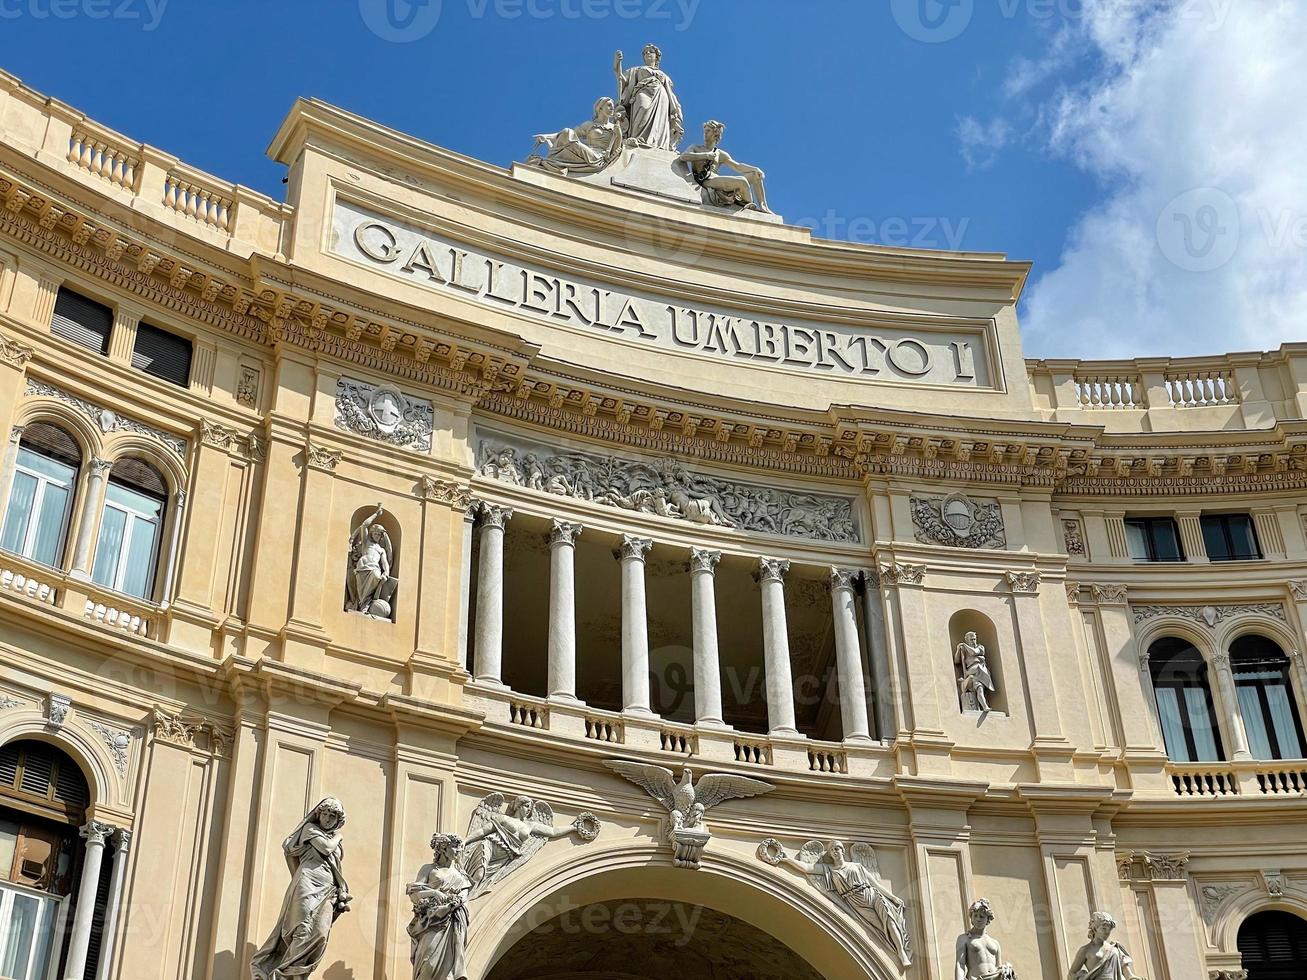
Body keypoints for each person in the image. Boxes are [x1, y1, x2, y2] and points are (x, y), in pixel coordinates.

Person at [251, 798, 351, 980]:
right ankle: (286, 976)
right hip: (307, 885)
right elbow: (325, 848)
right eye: (325, 814)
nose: (328, 819)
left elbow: (334, 866)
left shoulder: (331, 838)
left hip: (327, 890)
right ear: (318, 814)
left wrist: (341, 889)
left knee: (320, 934)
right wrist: (339, 836)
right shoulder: (310, 830)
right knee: (302, 931)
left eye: (333, 816)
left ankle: (298, 974)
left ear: (338, 820)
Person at [407, 833, 470, 980]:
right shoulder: (429, 869)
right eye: (454, 847)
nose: (458, 851)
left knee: (449, 970)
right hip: (430, 921)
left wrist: (455, 903)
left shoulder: (460, 875)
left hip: (452, 922)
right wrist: (435, 894)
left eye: (459, 848)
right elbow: (414, 894)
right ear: (443, 848)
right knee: (428, 963)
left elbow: (464, 896)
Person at [676, 121, 772, 213]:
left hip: (716, 178)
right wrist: (706, 155)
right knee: (742, 181)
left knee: (755, 175)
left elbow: (737, 166)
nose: (705, 134)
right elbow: (684, 156)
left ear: (715, 134)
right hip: (706, 180)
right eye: (704, 131)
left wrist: (755, 169)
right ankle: (748, 206)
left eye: (708, 131)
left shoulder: (720, 154)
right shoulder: (696, 148)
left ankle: (764, 207)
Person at [528, 97, 625, 175]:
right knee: (567, 131)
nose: (612, 108)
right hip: (589, 151)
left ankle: (548, 163)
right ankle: (550, 161)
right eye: (609, 105)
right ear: (600, 108)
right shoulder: (589, 125)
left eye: (612, 106)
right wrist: (546, 137)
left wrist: (619, 133)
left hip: (599, 157)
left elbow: (617, 148)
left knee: (568, 133)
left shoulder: (614, 127)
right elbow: (566, 135)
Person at [614, 44, 684, 150]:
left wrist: (675, 110)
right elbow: (624, 82)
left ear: (656, 56)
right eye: (645, 53)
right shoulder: (636, 70)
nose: (647, 54)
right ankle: (638, 139)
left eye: (650, 52)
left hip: (661, 95)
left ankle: (657, 144)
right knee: (642, 108)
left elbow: (670, 93)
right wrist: (618, 66)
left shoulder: (662, 74)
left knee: (660, 120)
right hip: (643, 92)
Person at [1069, 911, 1147, 980]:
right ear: (1095, 928)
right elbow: (1072, 973)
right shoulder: (1085, 950)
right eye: (1104, 928)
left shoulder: (1115, 948)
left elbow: (1128, 975)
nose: (1107, 932)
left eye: (1109, 929)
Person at [956, 898, 1018, 979]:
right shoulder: (964, 938)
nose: (978, 919)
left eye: (981, 916)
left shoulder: (995, 943)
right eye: (975, 916)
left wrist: (1005, 969)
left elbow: (998, 966)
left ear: (988, 919)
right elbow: (960, 964)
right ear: (971, 917)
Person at [347, 505, 392, 617]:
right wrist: (376, 514)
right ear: (371, 534)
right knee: (360, 591)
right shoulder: (367, 543)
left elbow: (385, 562)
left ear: (381, 536)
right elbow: (364, 525)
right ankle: (362, 606)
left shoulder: (381, 549)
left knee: (376, 576)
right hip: (362, 567)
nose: (377, 536)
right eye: (375, 533)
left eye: (379, 534)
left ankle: (364, 605)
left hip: (374, 568)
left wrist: (386, 573)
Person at [955, 631, 995, 712]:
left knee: (980, 690)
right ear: (967, 640)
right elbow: (956, 661)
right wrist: (958, 649)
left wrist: (964, 645)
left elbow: (974, 652)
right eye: (971, 639)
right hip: (972, 671)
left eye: (974, 639)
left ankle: (984, 706)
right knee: (979, 689)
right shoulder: (964, 650)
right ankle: (984, 706)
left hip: (980, 671)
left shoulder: (980, 647)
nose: (973, 641)